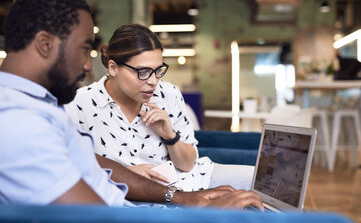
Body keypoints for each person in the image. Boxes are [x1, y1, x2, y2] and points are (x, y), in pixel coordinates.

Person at [0, 0, 263, 210]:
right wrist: (200, 214)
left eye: (157, 71)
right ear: (45, 44)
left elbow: (95, 163)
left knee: (264, 191)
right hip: (140, 210)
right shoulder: (21, 121)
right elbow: (99, 216)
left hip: (166, 195)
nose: (88, 65)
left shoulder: (40, 106)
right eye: (83, 50)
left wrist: (180, 197)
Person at [64, 24, 255, 192]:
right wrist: (124, 174)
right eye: (143, 72)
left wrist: (170, 135)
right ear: (113, 68)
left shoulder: (168, 95)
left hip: (192, 178)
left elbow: (188, 164)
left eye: (158, 70)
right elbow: (67, 167)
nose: (153, 81)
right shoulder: (80, 105)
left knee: (262, 181)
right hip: (134, 193)